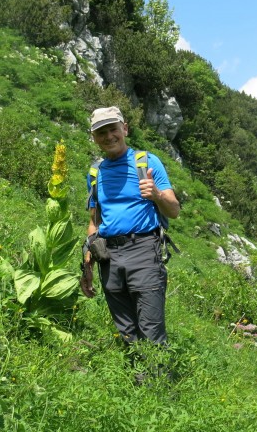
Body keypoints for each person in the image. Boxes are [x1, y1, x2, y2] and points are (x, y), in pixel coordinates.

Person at [80, 106, 180, 348]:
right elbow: (95, 221)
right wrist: (87, 263)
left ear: (124, 129)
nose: (108, 137)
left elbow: (174, 210)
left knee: (151, 328)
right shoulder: (95, 172)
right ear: (94, 138)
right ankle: (138, 381)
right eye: (101, 133)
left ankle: (158, 383)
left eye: (113, 129)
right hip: (108, 258)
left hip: (144, 250)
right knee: (126, 330)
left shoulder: (146, 162)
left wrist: (156, 195)